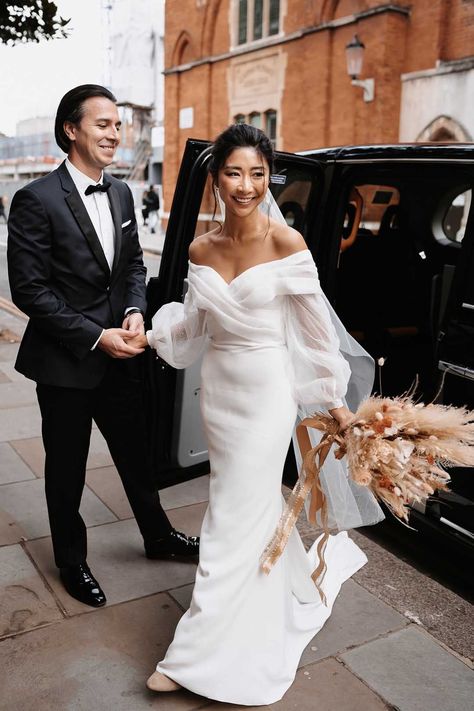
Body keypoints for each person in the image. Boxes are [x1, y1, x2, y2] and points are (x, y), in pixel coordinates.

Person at [131, 124, 382, 705]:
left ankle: (192, 655)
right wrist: (149, 333)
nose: (246, 185)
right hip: (220, 394)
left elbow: (318, 338)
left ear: (269, 178)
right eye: (234, 172)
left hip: (270, 393)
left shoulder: (288, 244)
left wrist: (336, 407)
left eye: (258, 173)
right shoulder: (200, 249)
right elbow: (193, 327)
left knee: (226, 517)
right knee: (244, 506)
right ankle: (272, 592)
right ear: (215, 178)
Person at [7, 84, 199, 610]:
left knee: (137, 456)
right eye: (104, 124)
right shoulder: (36, 198)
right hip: (67, 363)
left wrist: (135, 310)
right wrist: (96, 336)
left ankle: (158, 537)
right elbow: (29, 289)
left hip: (124, 356)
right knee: (66, 469)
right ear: (72, 129)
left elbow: (134, 267)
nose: (116, 133)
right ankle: (72, 562)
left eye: (119, 125)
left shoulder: (121, 194)